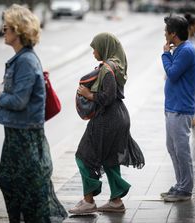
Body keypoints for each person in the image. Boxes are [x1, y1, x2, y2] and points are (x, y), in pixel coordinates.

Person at [0, 4, 67, 223]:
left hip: (25, 136)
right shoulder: (22, 59)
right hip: (18, 132)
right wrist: (4, 92)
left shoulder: (25, 61)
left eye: (6, 28)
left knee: (27, 188)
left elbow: (19, 101)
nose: (3, 31)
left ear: (18, 31)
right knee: (14, 183)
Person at [69, 32, 145, 214]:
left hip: (108, 119)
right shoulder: (117, 65)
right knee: (110, 159)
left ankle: (88, 201)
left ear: (104, 47)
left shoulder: (107, 69)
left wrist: (89, 95)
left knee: (83, 155)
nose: (94, 52)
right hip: (119, 117)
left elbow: (108, 97)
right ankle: (116, 201)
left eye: (95, 48)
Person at [160, 15, 195, 202]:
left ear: (173, 34)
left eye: (166, 31)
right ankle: (180, 184)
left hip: (180, 108)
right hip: (172, 107)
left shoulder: (187, 50)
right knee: (172, 147)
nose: (164, 33)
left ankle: (185, 189)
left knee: (181, 149)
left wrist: (166, 54)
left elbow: (173, 74)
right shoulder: (182, 49)